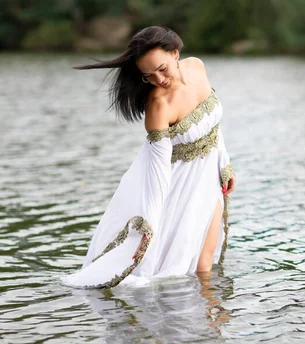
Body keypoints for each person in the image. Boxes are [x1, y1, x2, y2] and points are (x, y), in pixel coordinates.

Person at [61, 26, 236, 289]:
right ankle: (193, 318)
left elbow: (212, 124)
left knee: (205, 260)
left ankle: (209, 325)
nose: (158, 79)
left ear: (175, 53)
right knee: (195, 266)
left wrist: (225, 165)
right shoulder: (158, 106)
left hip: (208, 175)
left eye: (162, 69)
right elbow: (158, 170)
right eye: (148, 76)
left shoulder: (197, 67)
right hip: (178, 185)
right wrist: (149, 222)